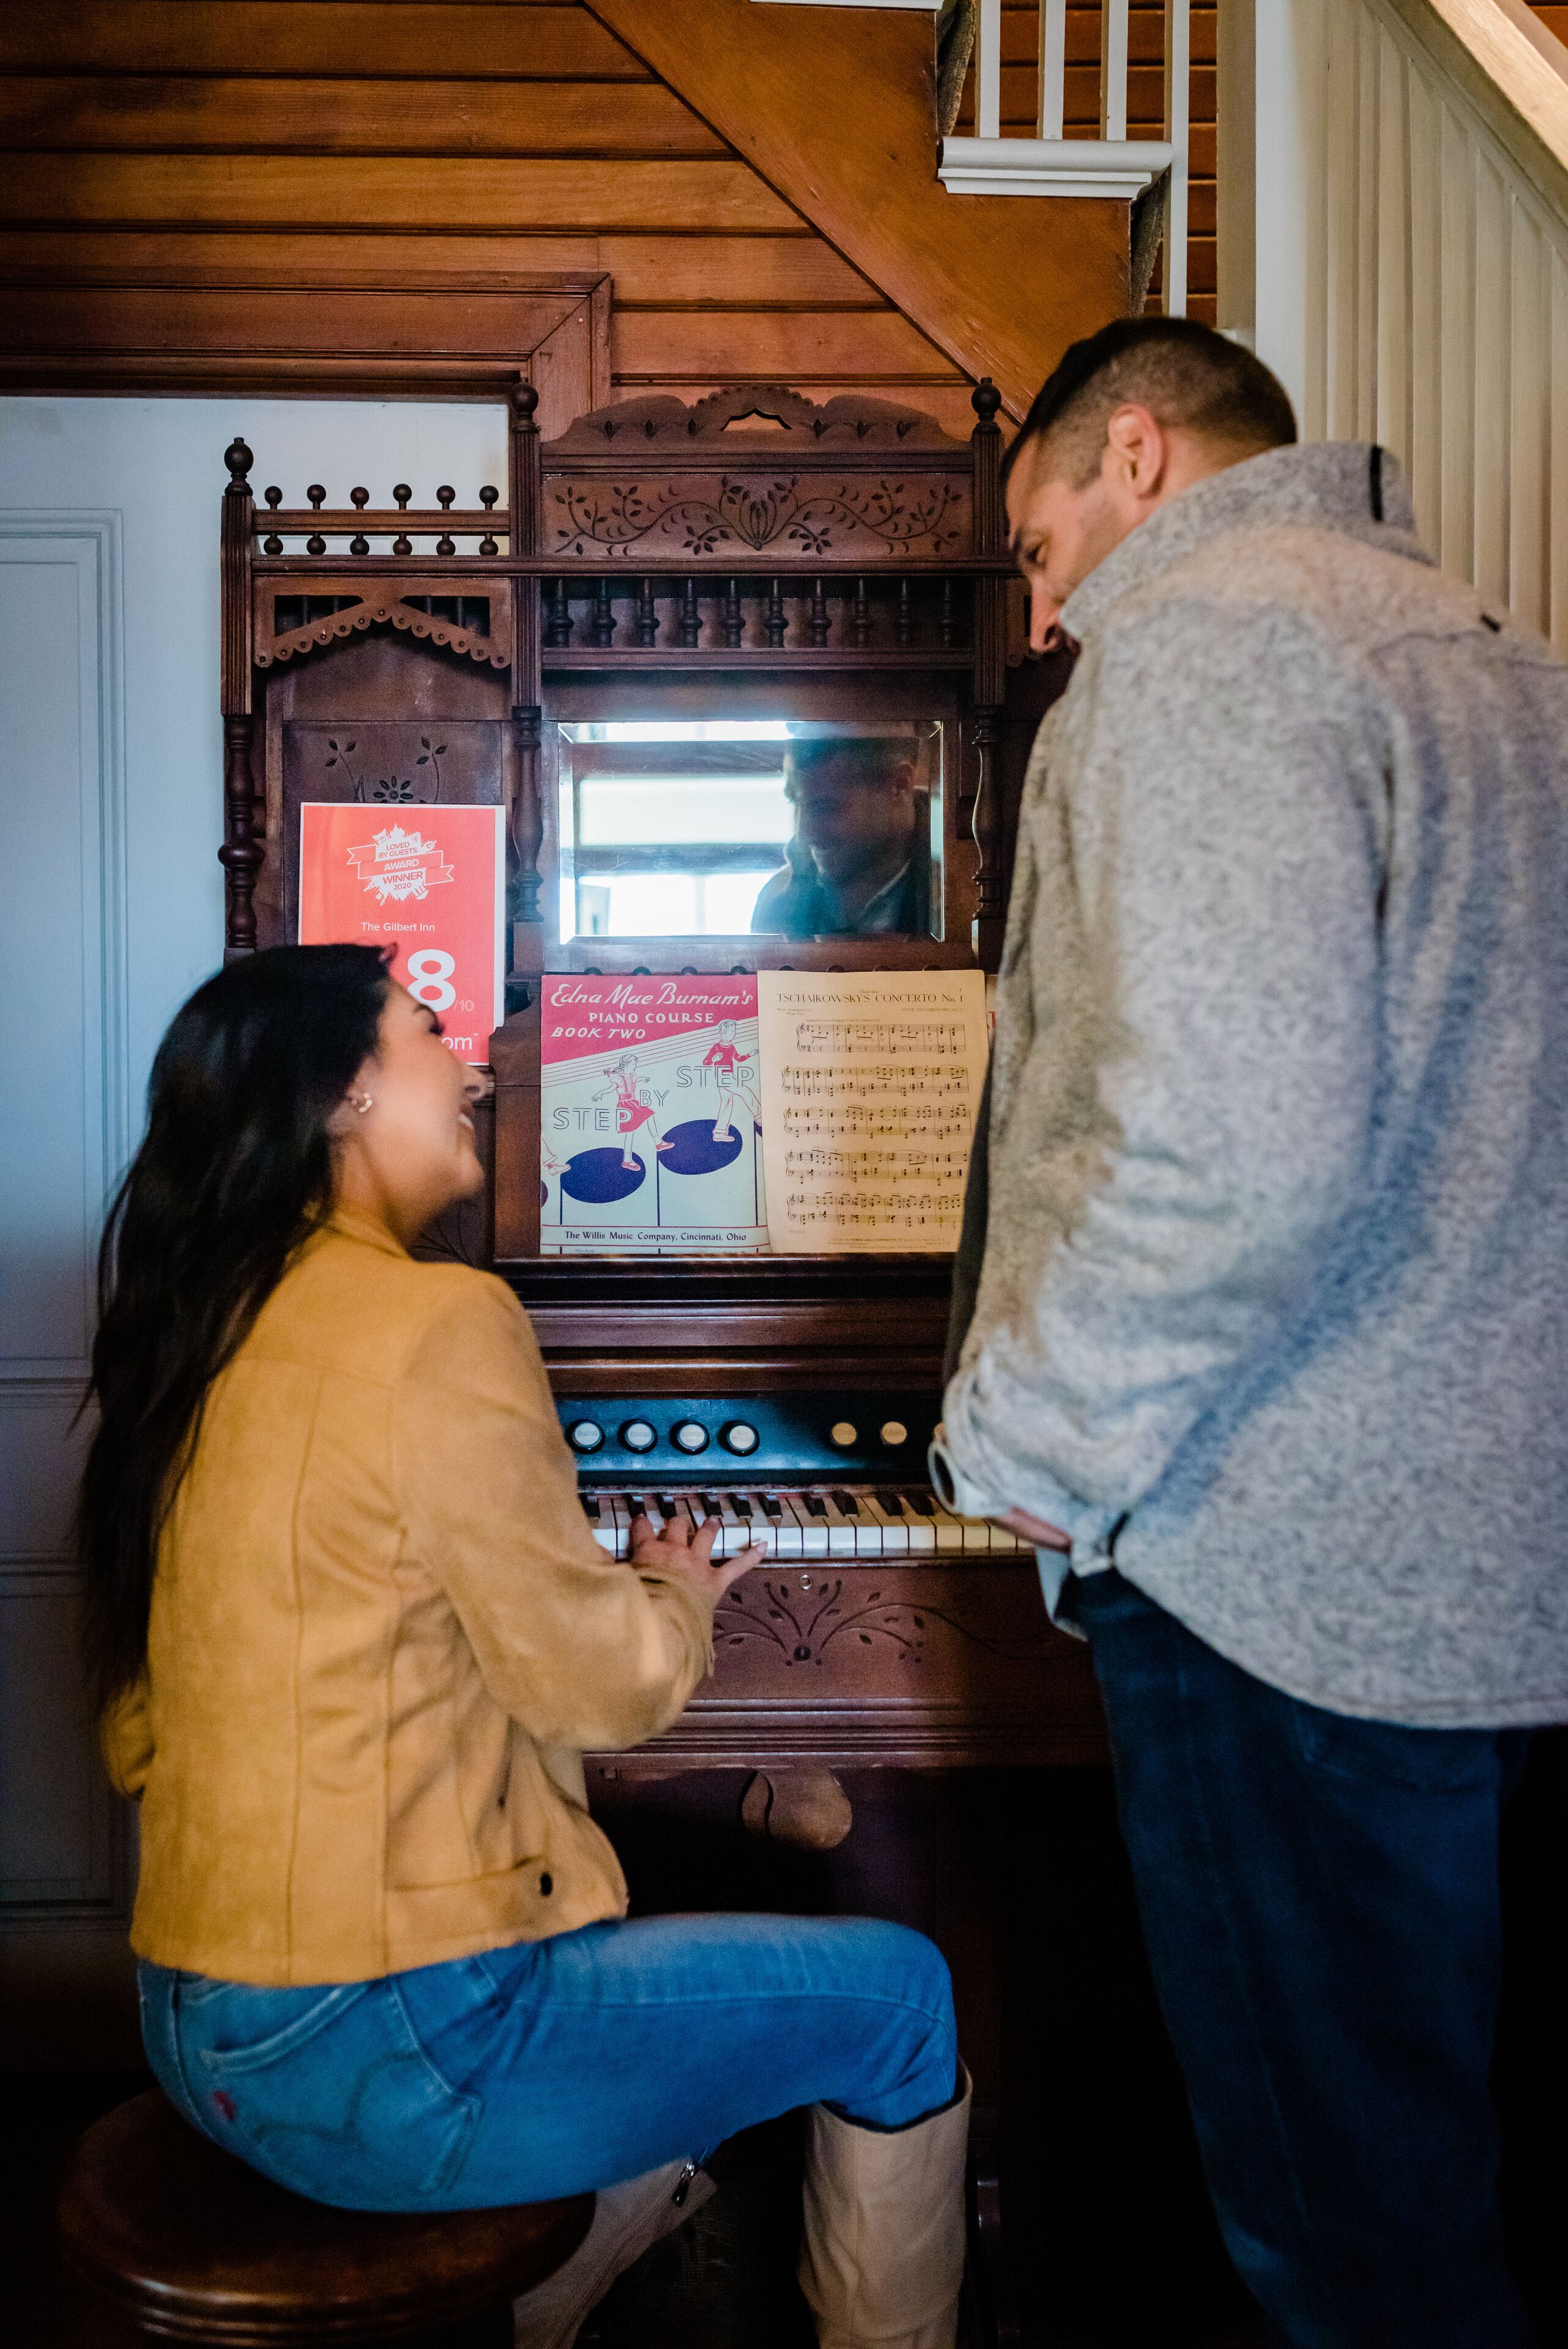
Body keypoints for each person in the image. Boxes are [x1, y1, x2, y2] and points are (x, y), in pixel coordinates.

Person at [939, 317, 1568, 2348]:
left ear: (1133, 454)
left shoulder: (1208, 643)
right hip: (1494, 1578)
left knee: (1342, 2246)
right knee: (1472, 2212)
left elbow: (1229, 1149)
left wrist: (1027, 1444)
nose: (1045, 616)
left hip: (1285, 1578)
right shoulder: (1496, 656)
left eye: (1039, 548)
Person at [83, 943, 970, 2349]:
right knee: (903, 1998)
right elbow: (597, 1684)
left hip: (201, 2024)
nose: (482, 1063)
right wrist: (671, 1590)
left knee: (628, 1933)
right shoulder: (434, 1316)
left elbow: (138, 1720)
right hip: (385, 2051)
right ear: (349, 1093)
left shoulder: (197, 1321)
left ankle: (567, 2262)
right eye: (433, 1032)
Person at [752, 737, 927, 937]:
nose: (804, 835)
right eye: (796, 803)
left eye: (825, 808)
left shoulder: (965, 897)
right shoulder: (777, 903)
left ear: (899, 785)